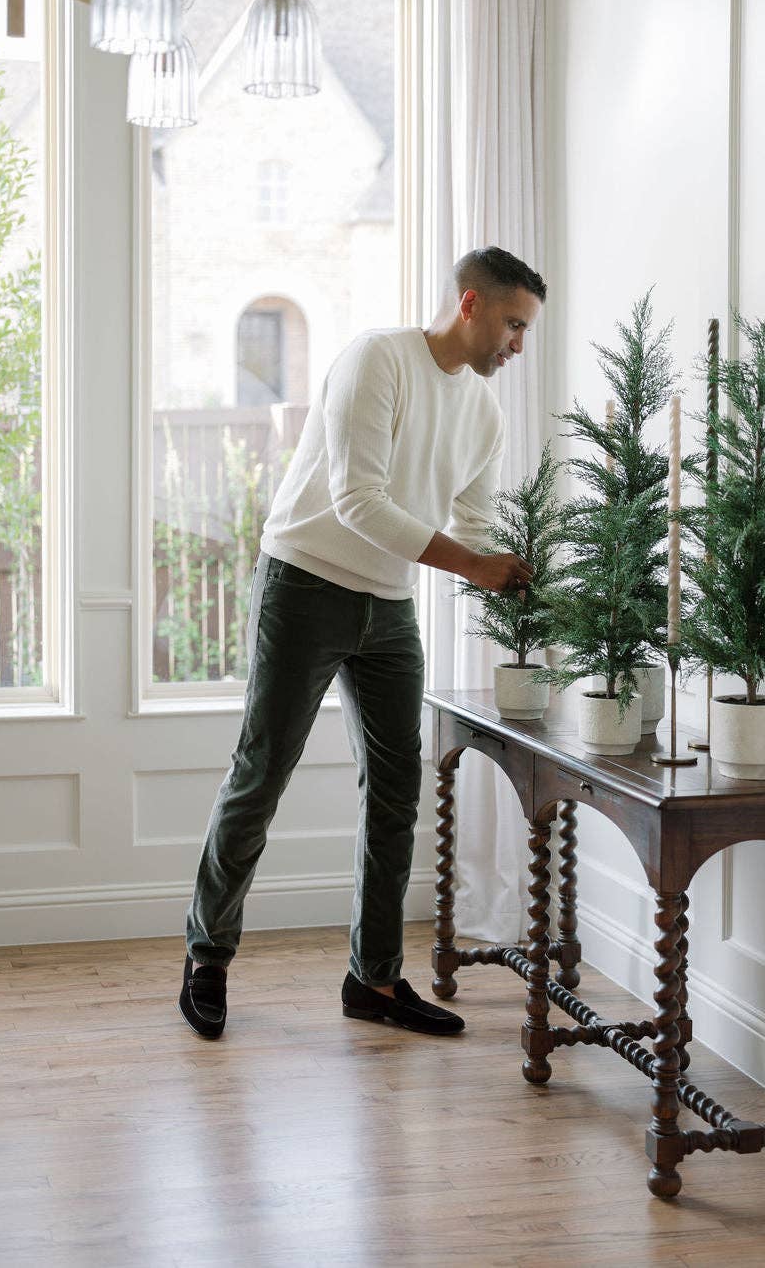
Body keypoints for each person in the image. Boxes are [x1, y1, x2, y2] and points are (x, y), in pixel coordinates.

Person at [178, 246, 546, 1040]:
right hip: (305, 580)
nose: (518, 345)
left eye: (527, 330)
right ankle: (208, 954)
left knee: (395, 788)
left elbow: (476, 532)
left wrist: (522, 580)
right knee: (262, 769)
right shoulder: (377, 358)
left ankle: (373, 980)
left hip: (388, 605)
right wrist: (477, 564)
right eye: (514, 324)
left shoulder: (485, 414)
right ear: (471, 303)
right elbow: (357, 503)